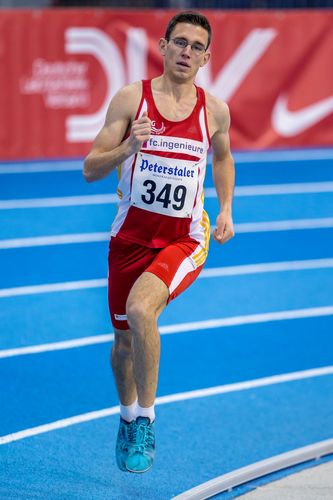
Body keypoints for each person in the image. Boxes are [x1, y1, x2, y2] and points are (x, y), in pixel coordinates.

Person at [83, 10, 235, 474]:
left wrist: (226, 207)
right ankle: (127, 417)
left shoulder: (214, 110)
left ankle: (146, 420)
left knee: (141, 310)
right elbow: (90, 167)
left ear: (207, 57)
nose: (187, 52)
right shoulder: (133, 98)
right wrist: (127, 148)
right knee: (122, 344)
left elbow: (223, 159)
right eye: (180, 42)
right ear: (163, 46)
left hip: (184, 239)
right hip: (129, 239)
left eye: (196, 46)